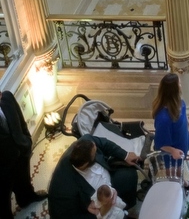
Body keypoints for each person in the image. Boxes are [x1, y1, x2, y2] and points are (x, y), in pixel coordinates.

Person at [48, 135, 139, 219]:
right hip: (97, 206)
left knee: (129, 175)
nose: (96, 147)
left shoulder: (87, 142)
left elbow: (105, 144)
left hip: (110, 185)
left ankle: (126, 207)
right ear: (87, 164)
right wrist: (102, 212)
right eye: (95, 153)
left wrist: (125, 155)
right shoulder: (62, 189)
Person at [0, 89, 47, 219]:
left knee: (24, 181)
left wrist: (27, 140)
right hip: (2, 166)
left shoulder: (7, 97)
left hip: (20, 152)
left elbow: (21, 121)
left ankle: (26, 198)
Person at [152, 73, 189, 176]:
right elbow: (160, 142)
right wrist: (173, 151)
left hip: (182, 140)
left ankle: (182, 181)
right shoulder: (163, 118)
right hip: (172, 148)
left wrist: (186, 120)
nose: (181, 85)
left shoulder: (179, 102)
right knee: (172, 170)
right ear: (173, 90)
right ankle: (176, 184)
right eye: (179, 83)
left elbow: (183, 113)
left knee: (180, 165)